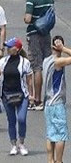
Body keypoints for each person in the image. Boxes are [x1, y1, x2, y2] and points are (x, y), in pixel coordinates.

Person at [0, 37, 32, 155]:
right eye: (7, 46)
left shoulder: (25, 62)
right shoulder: (3, 61)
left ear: (17, 49)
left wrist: (32, 95)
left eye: (10, 46)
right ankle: (13, 144)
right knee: (11, 120)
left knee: (21, 119)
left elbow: (29, 80)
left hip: (22, 94)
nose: (8, 48)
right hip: (6, 94)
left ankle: (22, 143)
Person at [26, 0, 55, 109]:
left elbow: (28, 18)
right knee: (48, 64)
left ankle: (37, 99)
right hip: (46, 33)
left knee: (37, 66)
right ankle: (49, 95)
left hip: (34, 33)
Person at [44, 35, 71, 163]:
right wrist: (64, 48)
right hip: (57, 103)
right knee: (60, 134)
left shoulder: (46, 60)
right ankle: (59, 161)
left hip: (48, 103)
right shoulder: (57, 62)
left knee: (51, 133)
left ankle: (50, 160)